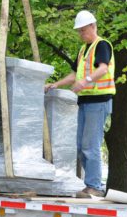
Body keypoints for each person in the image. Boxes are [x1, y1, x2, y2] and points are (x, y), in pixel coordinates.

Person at [45, 10, 115, 197]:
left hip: (99, 102)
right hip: (85, 102)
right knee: (80, 145)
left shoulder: (102, 45)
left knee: (90, 145)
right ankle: (90, 184)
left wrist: (86, 81)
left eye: (83, 30)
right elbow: (75, 75)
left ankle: (95, 186)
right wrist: (56, 84)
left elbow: (103, 69)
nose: (81, 34)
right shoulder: (84, 50)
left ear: (93, 26)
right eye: (79, 31)